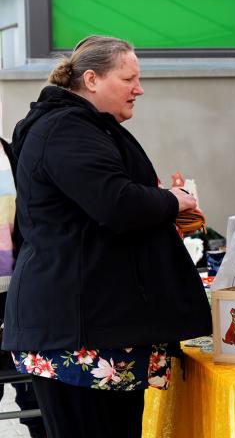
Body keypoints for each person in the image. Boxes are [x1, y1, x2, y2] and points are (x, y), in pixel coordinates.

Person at [1, 35, 212, 437]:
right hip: (77, 335)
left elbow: (98, 211)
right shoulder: (66, 128)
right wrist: (172, 201)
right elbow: (115, 203)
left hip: (93, 327)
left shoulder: (82, 127)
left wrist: (164, 211)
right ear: (93, 79)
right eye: (129, 78)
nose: (139, 88)